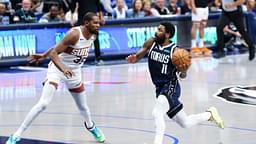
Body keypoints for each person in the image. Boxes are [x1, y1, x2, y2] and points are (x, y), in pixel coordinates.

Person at [6, 12, 105, 144]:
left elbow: (58, 46)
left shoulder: (94, 34)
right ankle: (16, 135)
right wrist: (62, 67)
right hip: (57, 69)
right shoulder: (75, 34)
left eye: (98, 23)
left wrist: (42, 55)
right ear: (86, 23)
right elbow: (54, 53)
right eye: (95, 23)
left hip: (74, 72)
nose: (98, 25)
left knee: (83, 107)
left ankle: (90, 126)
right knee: (43, 103)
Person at [126, 21, 224, 144]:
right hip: (159, 88)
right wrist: (134, 58)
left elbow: (182, 76)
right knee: (185, 123)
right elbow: (139, 55)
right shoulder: (151, 42)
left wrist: (184, 71)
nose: (156, 32)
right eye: (157, 29)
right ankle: (209, 115)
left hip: (171, 87)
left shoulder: (176, 52)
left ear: (167, 34)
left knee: (157, 113)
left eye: (160, 30)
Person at [70, 0, 105, 65]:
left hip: (93, 17)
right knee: (79, 38)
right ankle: (77, 58)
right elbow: (73, 4)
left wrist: (101, 16)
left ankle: (98, 58)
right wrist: (72, 18)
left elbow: (98, 4)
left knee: (96, 39)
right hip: (82, 18)